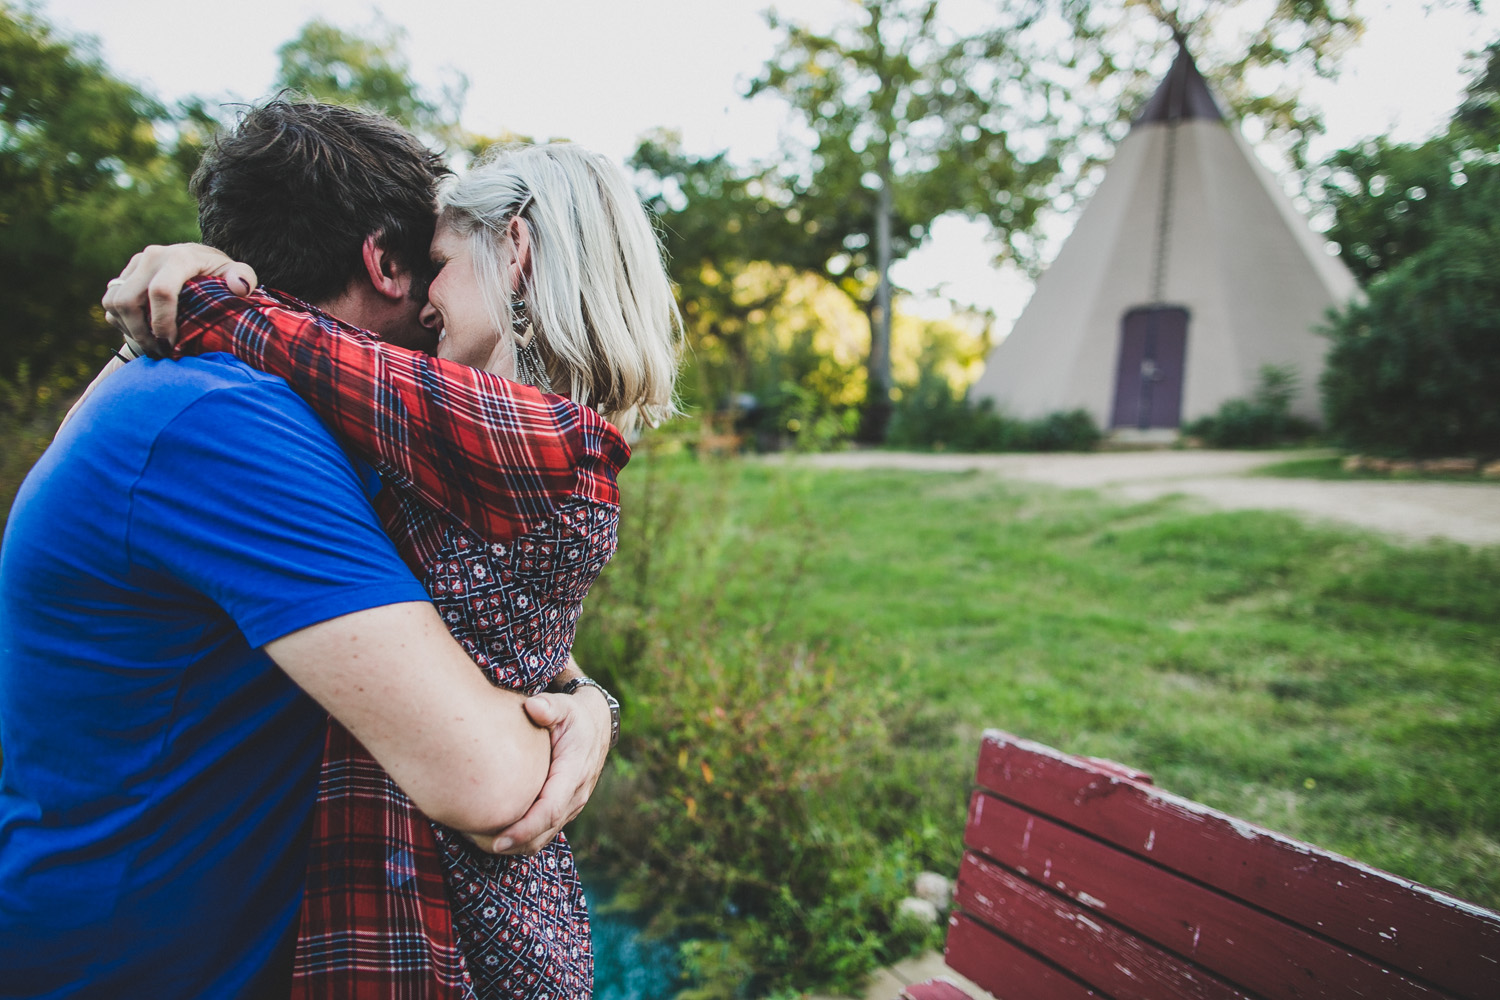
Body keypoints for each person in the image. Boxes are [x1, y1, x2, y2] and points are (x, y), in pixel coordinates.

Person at [0, 103, 616, 999]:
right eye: (435, 265)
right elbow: (487, 784)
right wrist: (567, 741)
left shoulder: (235, 397)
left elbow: (444, 632)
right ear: (386, 262)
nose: (439, 307)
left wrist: (584, 698)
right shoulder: (230, 426)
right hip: (133, 968)